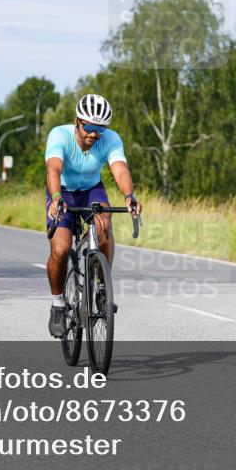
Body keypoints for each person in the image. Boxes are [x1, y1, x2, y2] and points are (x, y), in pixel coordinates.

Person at [44, 94, 141, 338]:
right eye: (88, 127)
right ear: (77, 121)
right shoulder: (60, 135)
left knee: (104, 225)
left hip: (91, 190)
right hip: (63, 191)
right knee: (61, 248)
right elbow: (53, 168)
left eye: (100, 129)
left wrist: (129, 196)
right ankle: (58, 304)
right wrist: (56, 197)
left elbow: (120, 169)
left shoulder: (111, 139)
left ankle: (100, 288)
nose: (94, 134)